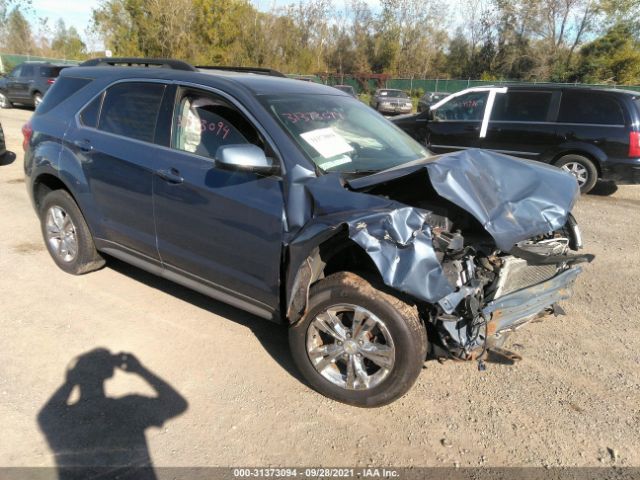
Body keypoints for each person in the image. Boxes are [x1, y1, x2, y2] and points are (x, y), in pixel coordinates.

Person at [38, 349, 188, 480]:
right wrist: (140, 370)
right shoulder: (127, 408)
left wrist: (70, 380)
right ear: (108, 374)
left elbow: (46, 413)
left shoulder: (62, 418)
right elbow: (177, 404)